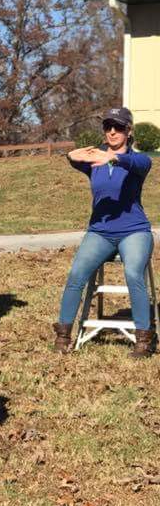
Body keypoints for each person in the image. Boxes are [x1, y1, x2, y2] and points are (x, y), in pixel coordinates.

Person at [53, 107, 154, 357]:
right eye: (108, 126)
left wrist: (113, 158)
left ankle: (143, 338)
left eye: (118, 127)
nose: (112, 131)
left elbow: (142, 162)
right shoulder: (95, 161)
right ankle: (63, 334)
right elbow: (75, 159)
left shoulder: (137, 161)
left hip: (134, 231)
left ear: (128, 131)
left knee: (133, 273)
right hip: (100, 232)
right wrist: (71, 155)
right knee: (76, 273)